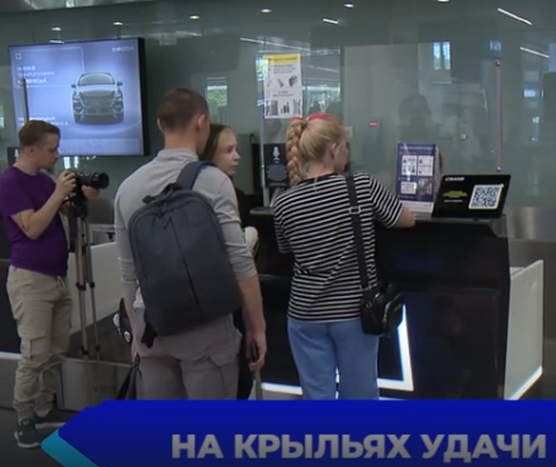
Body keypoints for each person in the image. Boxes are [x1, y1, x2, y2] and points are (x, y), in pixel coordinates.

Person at [114, 88, 267, 400]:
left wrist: (137, 333)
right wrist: (257, 328)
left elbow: (129, 273)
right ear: (201, 122)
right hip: (205, 327)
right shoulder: (213, 182)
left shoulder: (127, 188)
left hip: (152, 325)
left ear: (160, 125)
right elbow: (240, 263)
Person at [273, 113, 415, 400]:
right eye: (346, 146)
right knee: (360, 395)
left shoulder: (284, 202)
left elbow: (285, 249)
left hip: (304, 314)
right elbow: (406, 219)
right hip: (354, 313)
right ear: (334, 149)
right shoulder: (361, 187)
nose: (348, 153)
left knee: (316, 397)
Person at [0, 120, 98, 449]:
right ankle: (24, 418)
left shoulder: (42, 180)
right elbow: (32, 228)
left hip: (56, 275)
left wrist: (82, 195)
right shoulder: (9, 182)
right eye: (51, 149)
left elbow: (64, 210)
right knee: (35, 353)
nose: (57, 155)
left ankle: (44, 407)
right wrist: (58, 193)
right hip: (31, 280)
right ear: (30, 149)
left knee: (56, 350)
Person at [199, 123, 259, 399]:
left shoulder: (239, 197)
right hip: (220, 308)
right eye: (228, 150)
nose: (237, 157)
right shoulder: (213, 198)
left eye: (237, 149)